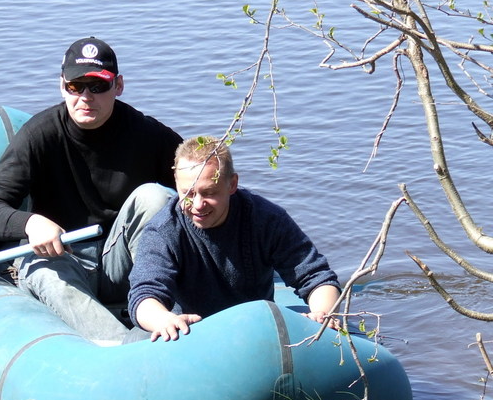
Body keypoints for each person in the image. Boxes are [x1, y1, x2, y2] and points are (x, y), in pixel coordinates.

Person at [0, 37, 182, 341]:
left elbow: (200, 180)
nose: (85, 97)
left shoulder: (147, 134)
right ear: (62, 86)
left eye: (97, 86)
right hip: (62, 259)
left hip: (122, 261)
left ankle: (161, 309)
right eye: (75, 86)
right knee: (41, 268)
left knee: (155, 197)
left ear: (118, 86)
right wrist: (30, 223)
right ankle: (121, 348)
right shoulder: (39, 135)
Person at [128, 135, 342, 342]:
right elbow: (144, 294)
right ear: (176, 183)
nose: (198, 205)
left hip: (254, 330)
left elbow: (316, 276)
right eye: (189, 193)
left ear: (232, 184)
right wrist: (163, 320)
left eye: (209, 192)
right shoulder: (163, 230)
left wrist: (322, 314)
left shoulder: (266, 219)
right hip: (189, 334)